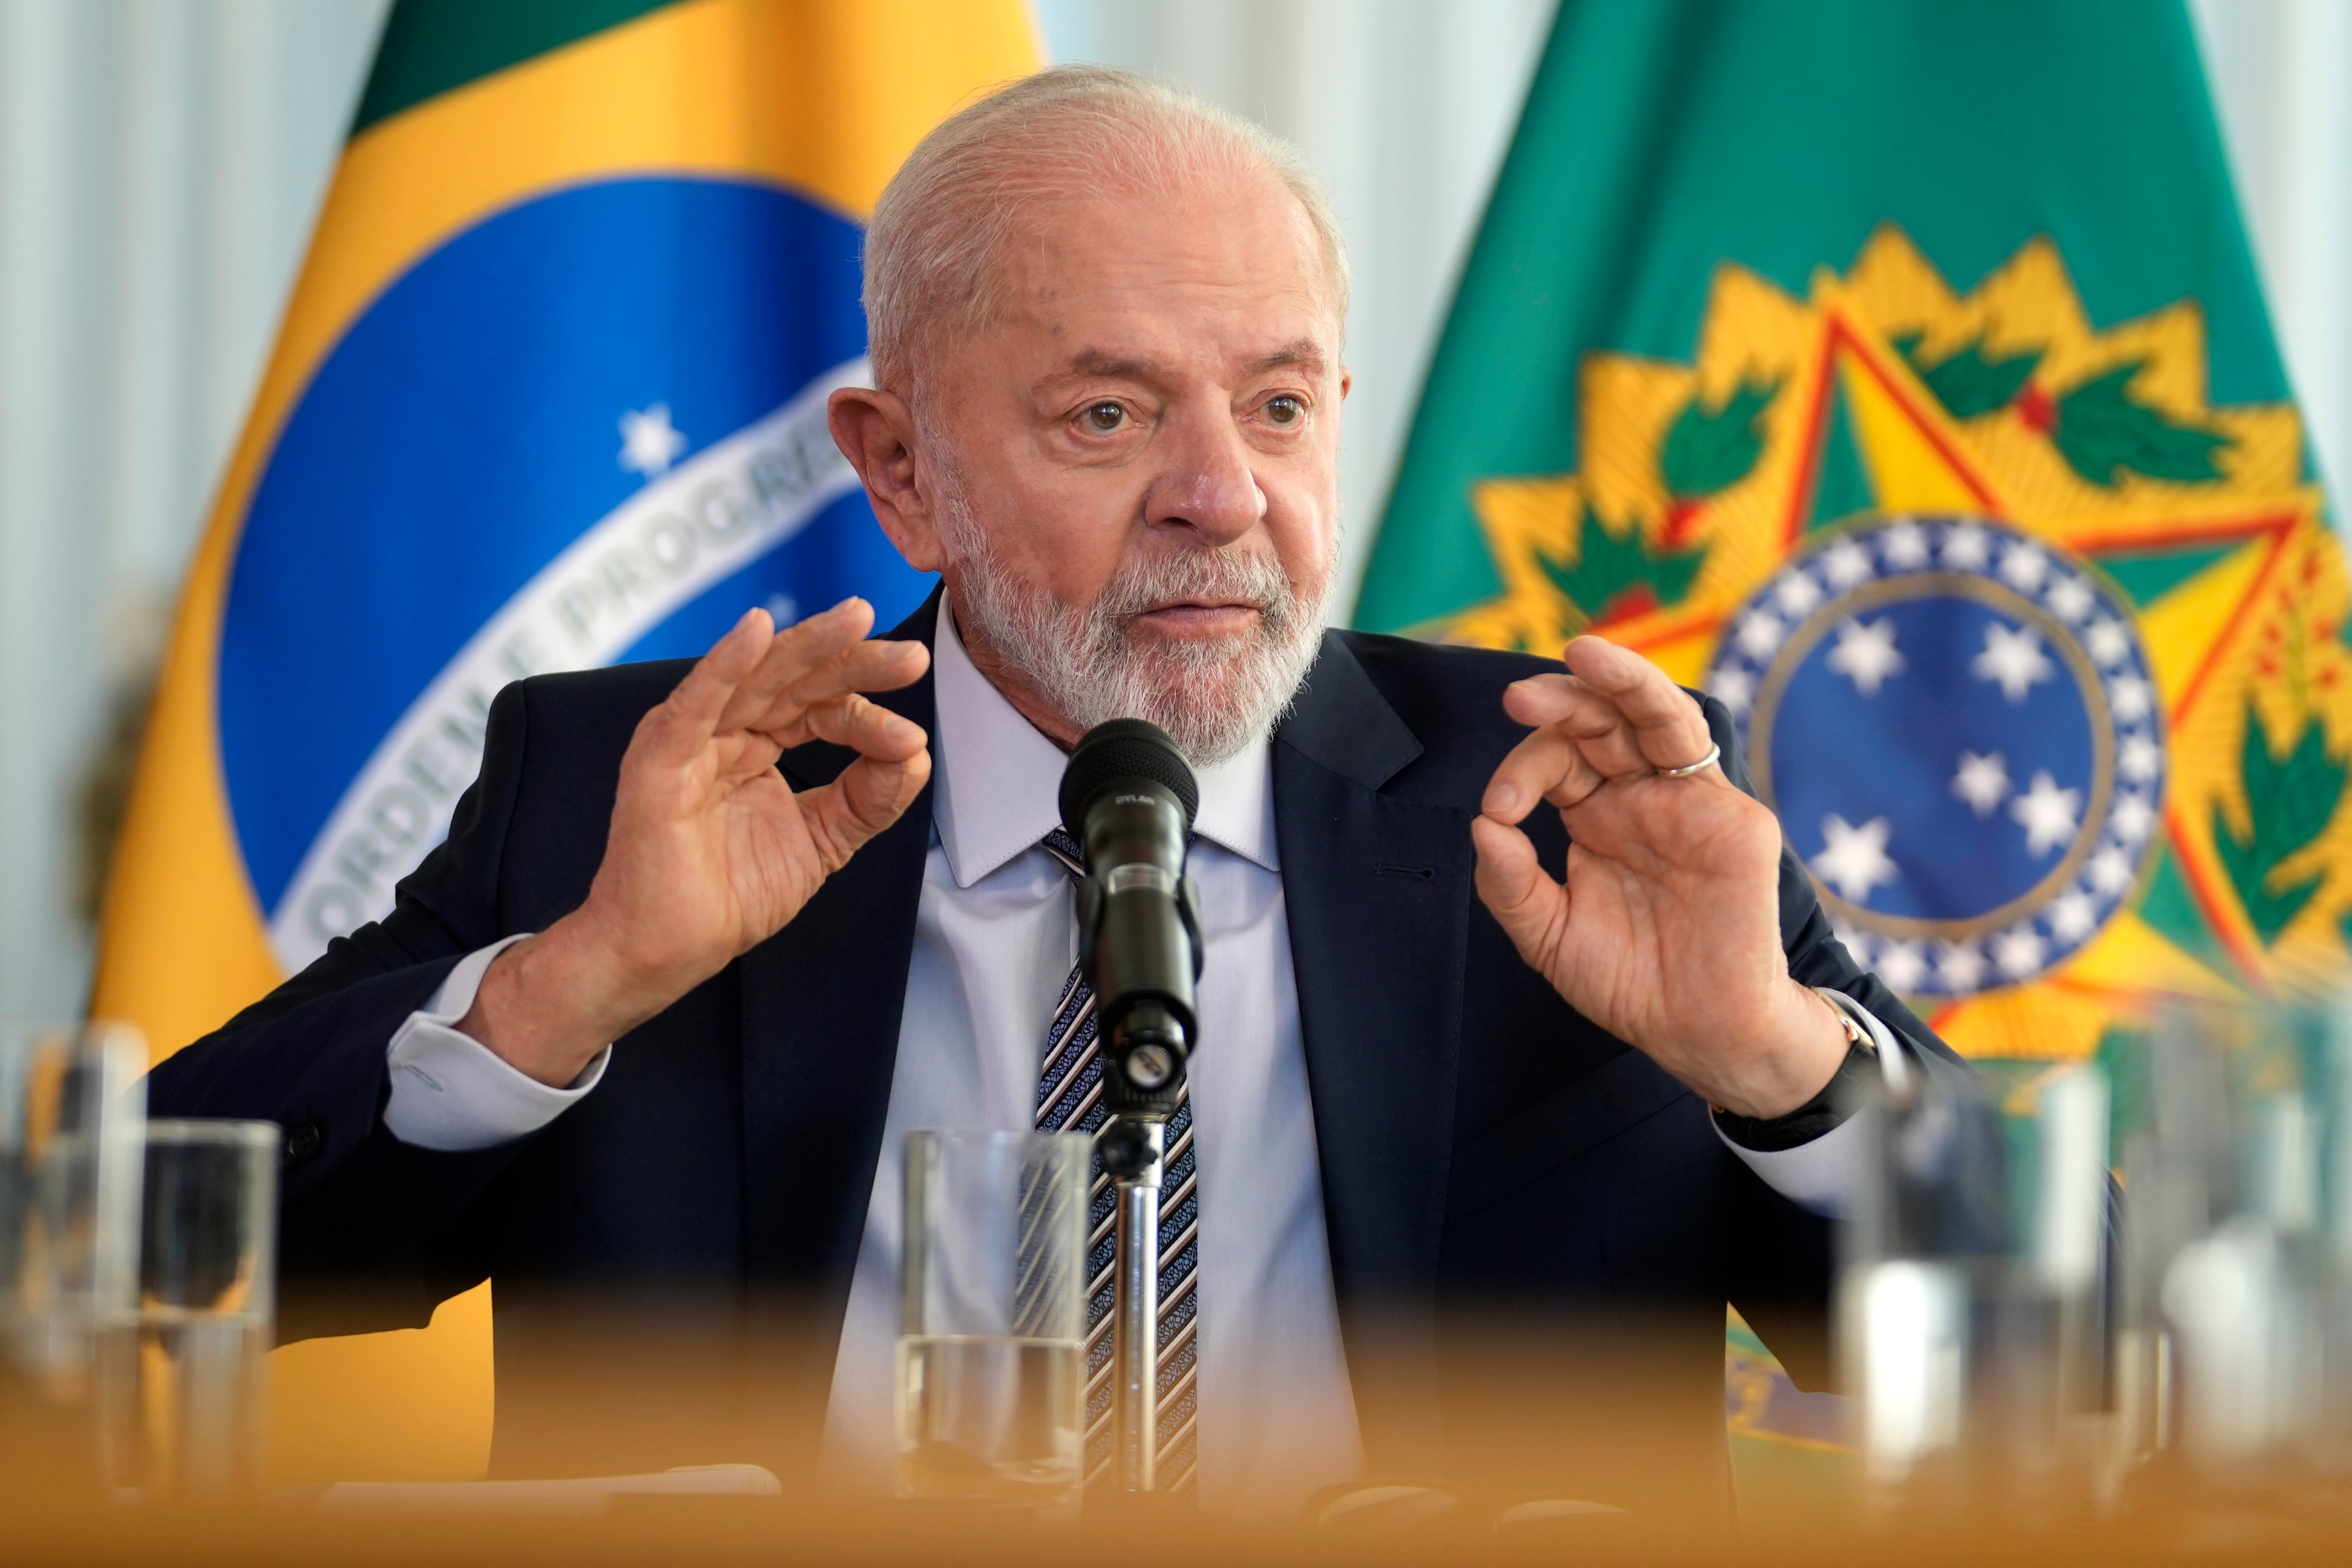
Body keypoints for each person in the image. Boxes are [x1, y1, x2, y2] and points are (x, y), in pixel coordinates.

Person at [152, 65, 1965, 1520]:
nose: (1221, 498)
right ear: (903, 470)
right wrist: (571, 988)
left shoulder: (1581, 801)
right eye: (1107, 416)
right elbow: (148, 1258)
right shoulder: (633, 797)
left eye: (1275, 409)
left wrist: (1779, 1068)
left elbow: (2080, 1361)